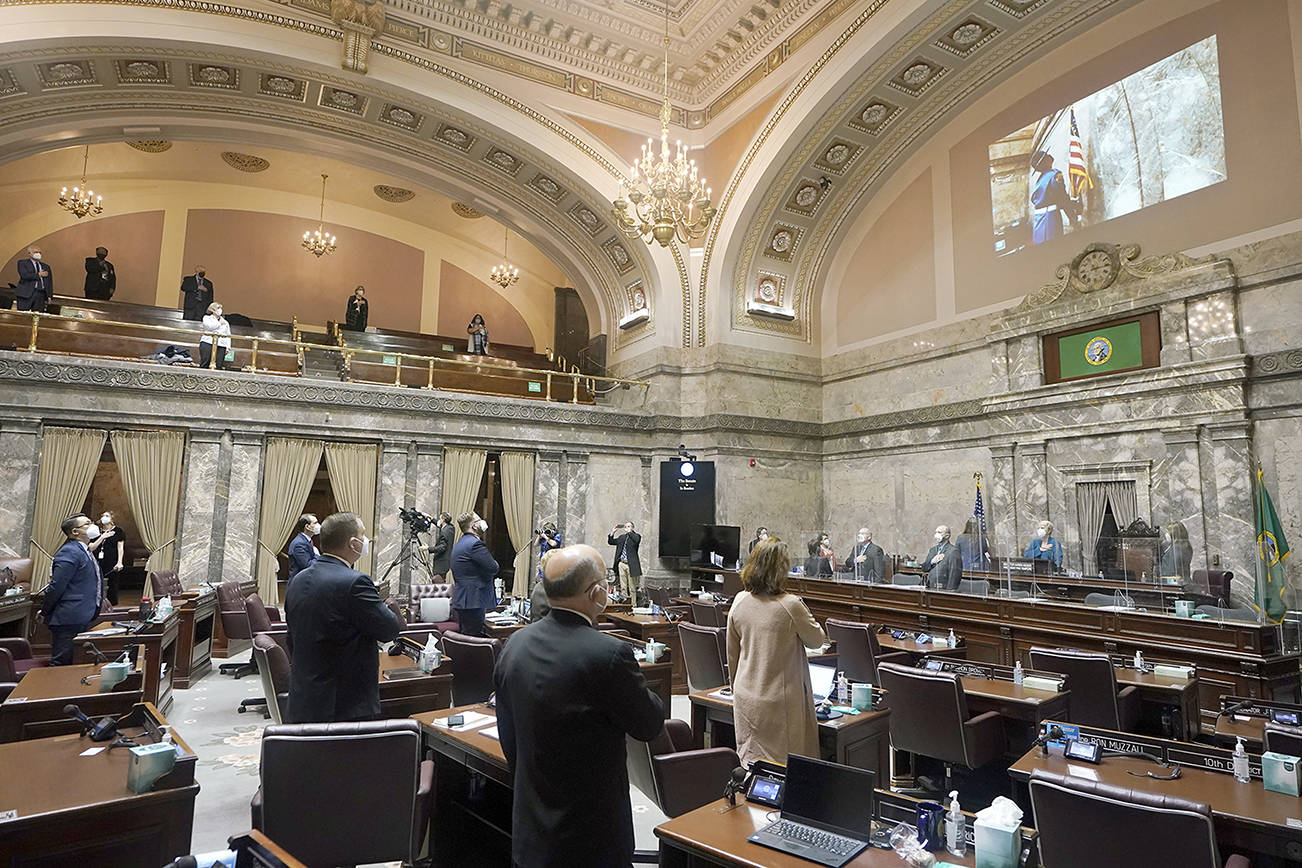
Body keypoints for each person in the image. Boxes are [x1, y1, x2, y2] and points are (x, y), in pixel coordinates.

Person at [493, 543, 664, 868]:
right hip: (590, 839)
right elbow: (649, 724)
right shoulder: (609, 655)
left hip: (531, 832)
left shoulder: (515, 644)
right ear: (596, 592)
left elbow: (510, 739)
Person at [284, 512, 402, 723]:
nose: (366, 541)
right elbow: (390, 629)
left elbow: (292, 636)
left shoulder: (298, 580)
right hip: (344, 703)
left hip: (304, 694)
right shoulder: (355, 582)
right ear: (353, 543)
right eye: (363, 535)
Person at [726, 537, 827, 767]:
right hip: (778, 701)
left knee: (751, 764)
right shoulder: (790, 605)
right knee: (784, 769)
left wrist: (736, 687)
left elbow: (732, 654)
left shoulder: (739, 600)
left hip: (745, 694)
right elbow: (816, 640)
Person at [41, 514, 104, 665]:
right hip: (69, 616)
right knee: (62, 662)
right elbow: (56, 586)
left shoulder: (84, 550)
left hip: (82, 614)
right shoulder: (69, 551)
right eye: (87, 524)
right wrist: (45, 611)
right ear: (75, 532)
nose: (93, 526)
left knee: (75, 661)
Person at [450, 511, 497, 637]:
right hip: (474, 599)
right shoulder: (475, 544)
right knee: (473, 638)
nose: (483, 522)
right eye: (479, 519)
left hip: (464, 598)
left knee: (465, 636)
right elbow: (493, 567)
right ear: (474, 526)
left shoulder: (460, 543)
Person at [1029, 150, 1080, 245]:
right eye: (1046, 156)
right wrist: (1073, 218)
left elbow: (1043, 200)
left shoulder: (1040, 180)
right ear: (1044, 162)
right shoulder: (1055, 175)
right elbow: (1063, 199)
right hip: (1050, 220)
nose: (1050, 155)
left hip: (1038, 223)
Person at [88, 510, 126, 606]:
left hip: (112, 559)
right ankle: (97, 602)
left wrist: (119, 561)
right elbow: (91, 545)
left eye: (106, 516)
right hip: (97, 559)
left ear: (111, 519)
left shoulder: (118, 531)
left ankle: (111, 604)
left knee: (112, 582)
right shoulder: (96, 530)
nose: (104, 517)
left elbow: (120, 547)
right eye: (102, 515)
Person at [921, 525, 963, 590]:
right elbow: (924, 568)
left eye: (939, 532)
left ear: (947, 536)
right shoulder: (933, 550)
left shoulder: (953, 551)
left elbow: (954, 575)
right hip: (930, 587)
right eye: (936, 532)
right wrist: (932, 562)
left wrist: (949, 592)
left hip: (943, 589)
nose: (936, 534)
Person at [607, 521, 641, 601]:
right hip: (622, 564)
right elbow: (611, 542)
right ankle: (625, 604)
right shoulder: (622, 537)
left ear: (633, 528)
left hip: (631, 565)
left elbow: (636, 541)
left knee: (632, 587)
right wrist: (613, 532)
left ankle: (633, 605)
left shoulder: (636, 536)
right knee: (623, 586)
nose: (627, 528)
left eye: (629, 526)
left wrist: (630, 532)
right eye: (626, 527)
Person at [15, 245, 53, 312]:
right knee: (22, 316)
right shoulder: (22, 263)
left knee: (37, 316)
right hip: (26, 294)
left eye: (40, 252)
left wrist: (49, 296)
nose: (38, 254)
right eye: (36, 252)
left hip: (41, 295)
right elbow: (24, 275)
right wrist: (38, 275)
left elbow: (49, 282)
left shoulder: (46, 266)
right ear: (29, 253)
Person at [286, 514, 319, 585]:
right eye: (315, 523)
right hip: (299, 585)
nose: (318, 525)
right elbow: (308, 566)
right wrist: (317, 555)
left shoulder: (306, 541)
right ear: (307, 526)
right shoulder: (299, 544)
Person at [197, 301, 231, 369]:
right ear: (212, 310)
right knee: (205, 362)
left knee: (219, 364)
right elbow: (209, 327)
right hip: (207, 342)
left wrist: (228, 347)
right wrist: (219, 324)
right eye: (218, 308)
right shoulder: (206, 318)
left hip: (221, 344)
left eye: (220, 308)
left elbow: (228, 335)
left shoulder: (225, 322)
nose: (220, 310)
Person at [427, 512, 455, 580]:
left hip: (440, 564)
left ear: (443, 520)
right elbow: (438, 523)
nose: (439, 520)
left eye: (440, 519)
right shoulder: (451, 528)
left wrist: (428, 548)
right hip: (445, 563)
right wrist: (430, 518)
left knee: (439, 583)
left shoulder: (444, 532)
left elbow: (442, 547)